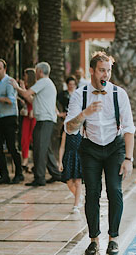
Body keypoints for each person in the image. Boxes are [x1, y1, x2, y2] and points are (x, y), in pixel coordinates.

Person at [65, 51, 136, 255]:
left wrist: (129, 159)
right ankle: (94, 239)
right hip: (90, 147)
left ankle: (113, 239)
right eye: (102, 70)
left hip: (115, 146)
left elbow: (129, 128)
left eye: (108, 71)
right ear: (92, 71)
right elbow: (69, 128)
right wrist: (85, 113)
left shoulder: (119, 94)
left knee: (115, 190)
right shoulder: (80, 95)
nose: (105, 75)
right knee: (93, 193)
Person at [14, 63, 60, 186]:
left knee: (39, 148)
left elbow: (25, 94)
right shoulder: (46, 83)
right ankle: (56, 174)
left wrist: (17, 87)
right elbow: (33, 100)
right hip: (44, 119)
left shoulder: (43, 81)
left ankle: (39, 178)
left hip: (45, 120)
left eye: (36, 71)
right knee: (45, 148)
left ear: (40, 71)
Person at [0, 59, 24, 184]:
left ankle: (19, 174)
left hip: (9, 118)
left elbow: (11, 100)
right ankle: (4, 175)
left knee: (11, 147)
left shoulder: (9, 82)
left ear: (5, 69)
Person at [58, 76, 84, 213]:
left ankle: (75, 204)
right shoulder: (65, 132)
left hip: (78, 156)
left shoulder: (81, 129)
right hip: (68, 156)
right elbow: (62, 146)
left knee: (78, 181)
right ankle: (78, 198)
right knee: (69, 181)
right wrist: (60, 161)